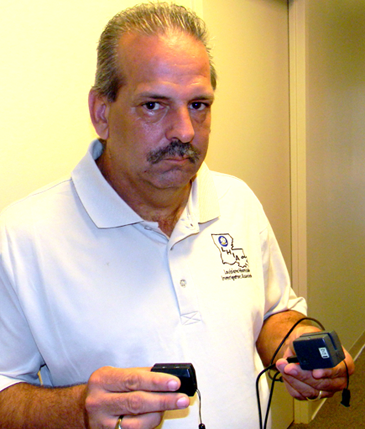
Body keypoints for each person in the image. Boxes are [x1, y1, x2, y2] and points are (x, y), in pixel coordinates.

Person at [0, 3, 354, 429]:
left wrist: (294, 346)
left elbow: (272, 311)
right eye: (154, 105)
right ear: (101, 113)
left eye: (199, 104)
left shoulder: (237, 200)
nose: (185, 130)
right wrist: (78, 409)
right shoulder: (22, 237)